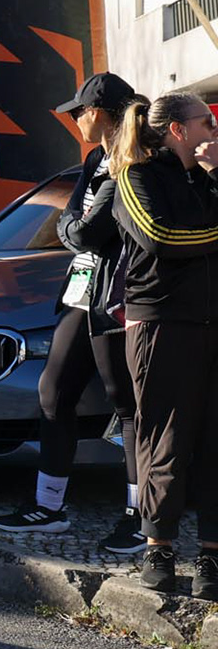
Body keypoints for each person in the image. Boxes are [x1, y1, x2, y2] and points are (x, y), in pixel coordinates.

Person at [0, 73, 144, 552]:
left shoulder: (136, 158)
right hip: (82, 289)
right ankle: (48, 506)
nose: (74, 120)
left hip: (120, 293)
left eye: (77, 112)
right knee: (53, 391)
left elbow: (85, 231)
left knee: (127, 404)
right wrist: (75, 227)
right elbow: (72, 225)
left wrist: (75, 227)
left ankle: (141, 518)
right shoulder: (96, 159)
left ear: (96, 112)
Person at [109, 90, 218, 596]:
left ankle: (212, 556)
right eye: (206, 123)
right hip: (163, 322)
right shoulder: (137, 177)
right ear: (178, 129)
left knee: (215, 440)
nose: (213, 131)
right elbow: (161, 237)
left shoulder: (209, 178)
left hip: (212, 321)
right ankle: (159, 547)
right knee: (165, 438)